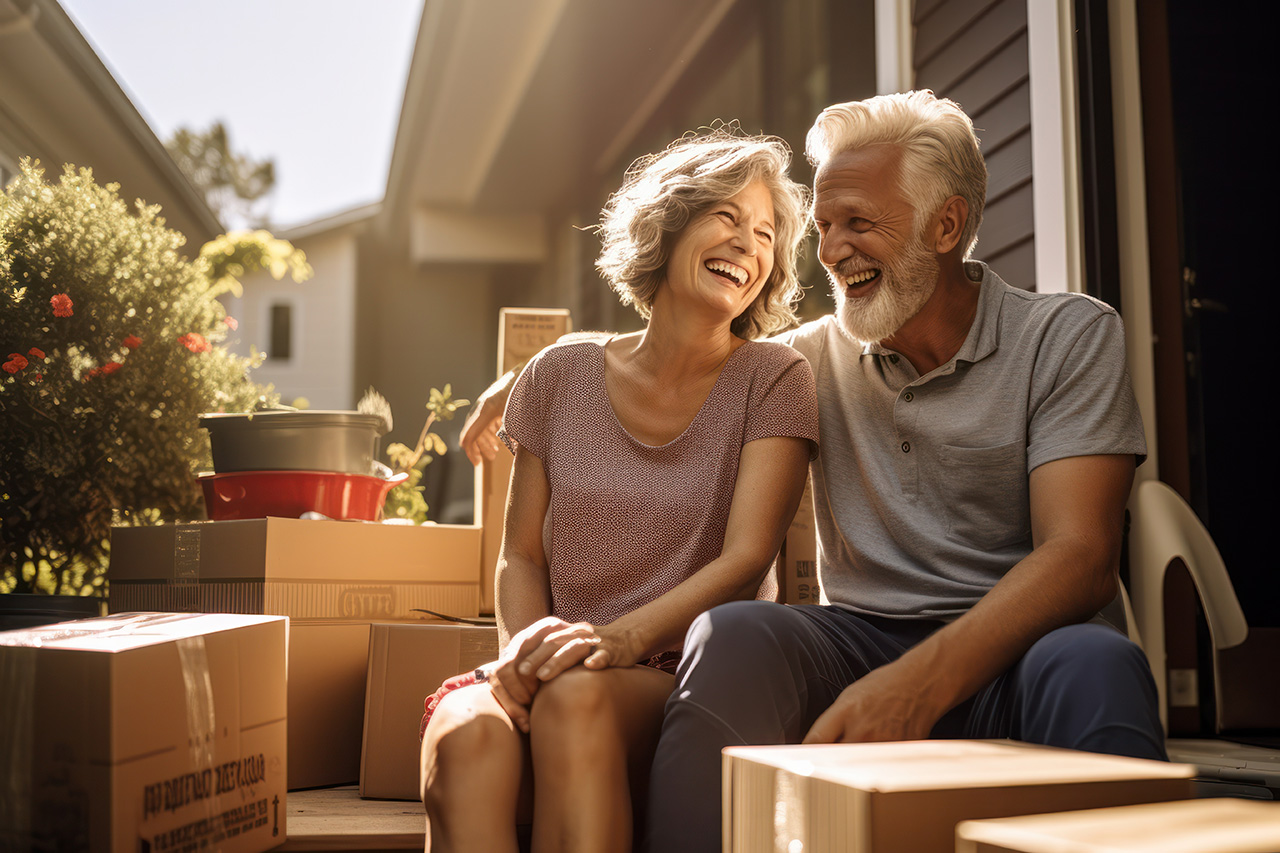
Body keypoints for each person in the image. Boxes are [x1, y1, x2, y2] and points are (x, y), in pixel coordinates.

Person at [460, 91, 1166, 853]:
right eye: (825, 226)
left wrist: (916, 685)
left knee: (1101, 660)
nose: (830, 250)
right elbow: (685, 344)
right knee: (736, 633)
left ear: (946, 225)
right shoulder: (801, 363)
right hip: (857, 641)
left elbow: (1083, 559)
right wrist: (537, 375)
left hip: (1027, 648)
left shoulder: (1067, 337)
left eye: (859, 223)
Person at [420, 130, 819, 853]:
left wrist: (615, 641)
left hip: (678, 669)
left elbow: (747, 557)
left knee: (575, 701)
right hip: (553, 656)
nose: (748, 243)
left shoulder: (775, 378)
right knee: (465, 739)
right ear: (669, 224)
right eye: (726, 217)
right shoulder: (557, 375)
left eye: (765, 234)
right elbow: (520, 557)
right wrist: (524, 656)